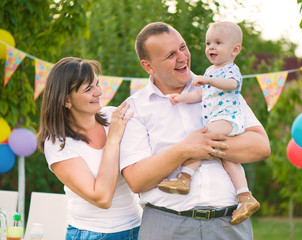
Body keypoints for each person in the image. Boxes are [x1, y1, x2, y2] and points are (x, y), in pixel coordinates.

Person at [120, 22, 270, 240]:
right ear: (149, 67)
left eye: (183, 47)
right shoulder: (134, 108)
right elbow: (136, 180)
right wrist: (184, 150)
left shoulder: (219, 87)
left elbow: (260, 146)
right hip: (167, 226)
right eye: (171, 54)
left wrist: (204, 147)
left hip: (229, 224)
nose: (182, 57)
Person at [157, 21, 260, 225]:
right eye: (208, 43)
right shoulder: (211, 70)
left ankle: (185, 178)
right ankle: (245, 197)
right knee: (228, 159)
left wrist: (208, 80)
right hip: (217, 119)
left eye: (218, 42)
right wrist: (182, 99)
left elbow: (232, 85)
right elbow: (200, 94)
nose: (211, 47)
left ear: (235, 49)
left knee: (202, 140)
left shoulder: (230, 69)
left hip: (226, 118)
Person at [37, 57, 142, 240]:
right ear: (66, 101)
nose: (99, 92)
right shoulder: (58, 143)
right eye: (88, 89)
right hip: (93, 234)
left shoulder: (112, 116)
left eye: (97, 84)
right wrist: (113, 139)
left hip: (138, 227)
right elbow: (101, 198)